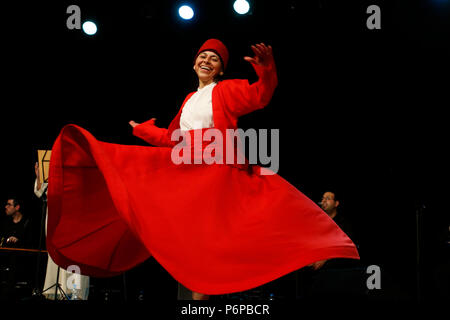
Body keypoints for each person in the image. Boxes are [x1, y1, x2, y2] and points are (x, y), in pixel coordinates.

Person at [46, 39, 359, 301]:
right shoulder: (189, 99)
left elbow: (260, 96)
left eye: (215, 58)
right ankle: (197, 290)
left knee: (241, 223)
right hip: (187, 167)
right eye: (203, 56)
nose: (207, 60)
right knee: (161, 208)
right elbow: (175, 139)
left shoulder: (225, 91)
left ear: (221, 69)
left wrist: (266, 70)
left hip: (214, 169)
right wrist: (143, 131)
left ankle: (305, 252)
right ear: (194, 63)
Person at [34, 162, 89, 300]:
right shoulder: (55, 173)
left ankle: (74, 294)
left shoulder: (80, 171)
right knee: (57, 258)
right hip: (56, 221)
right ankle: (59, 292)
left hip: (75, 221)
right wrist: (40, 177)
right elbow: (40, 192)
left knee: (74, 260)